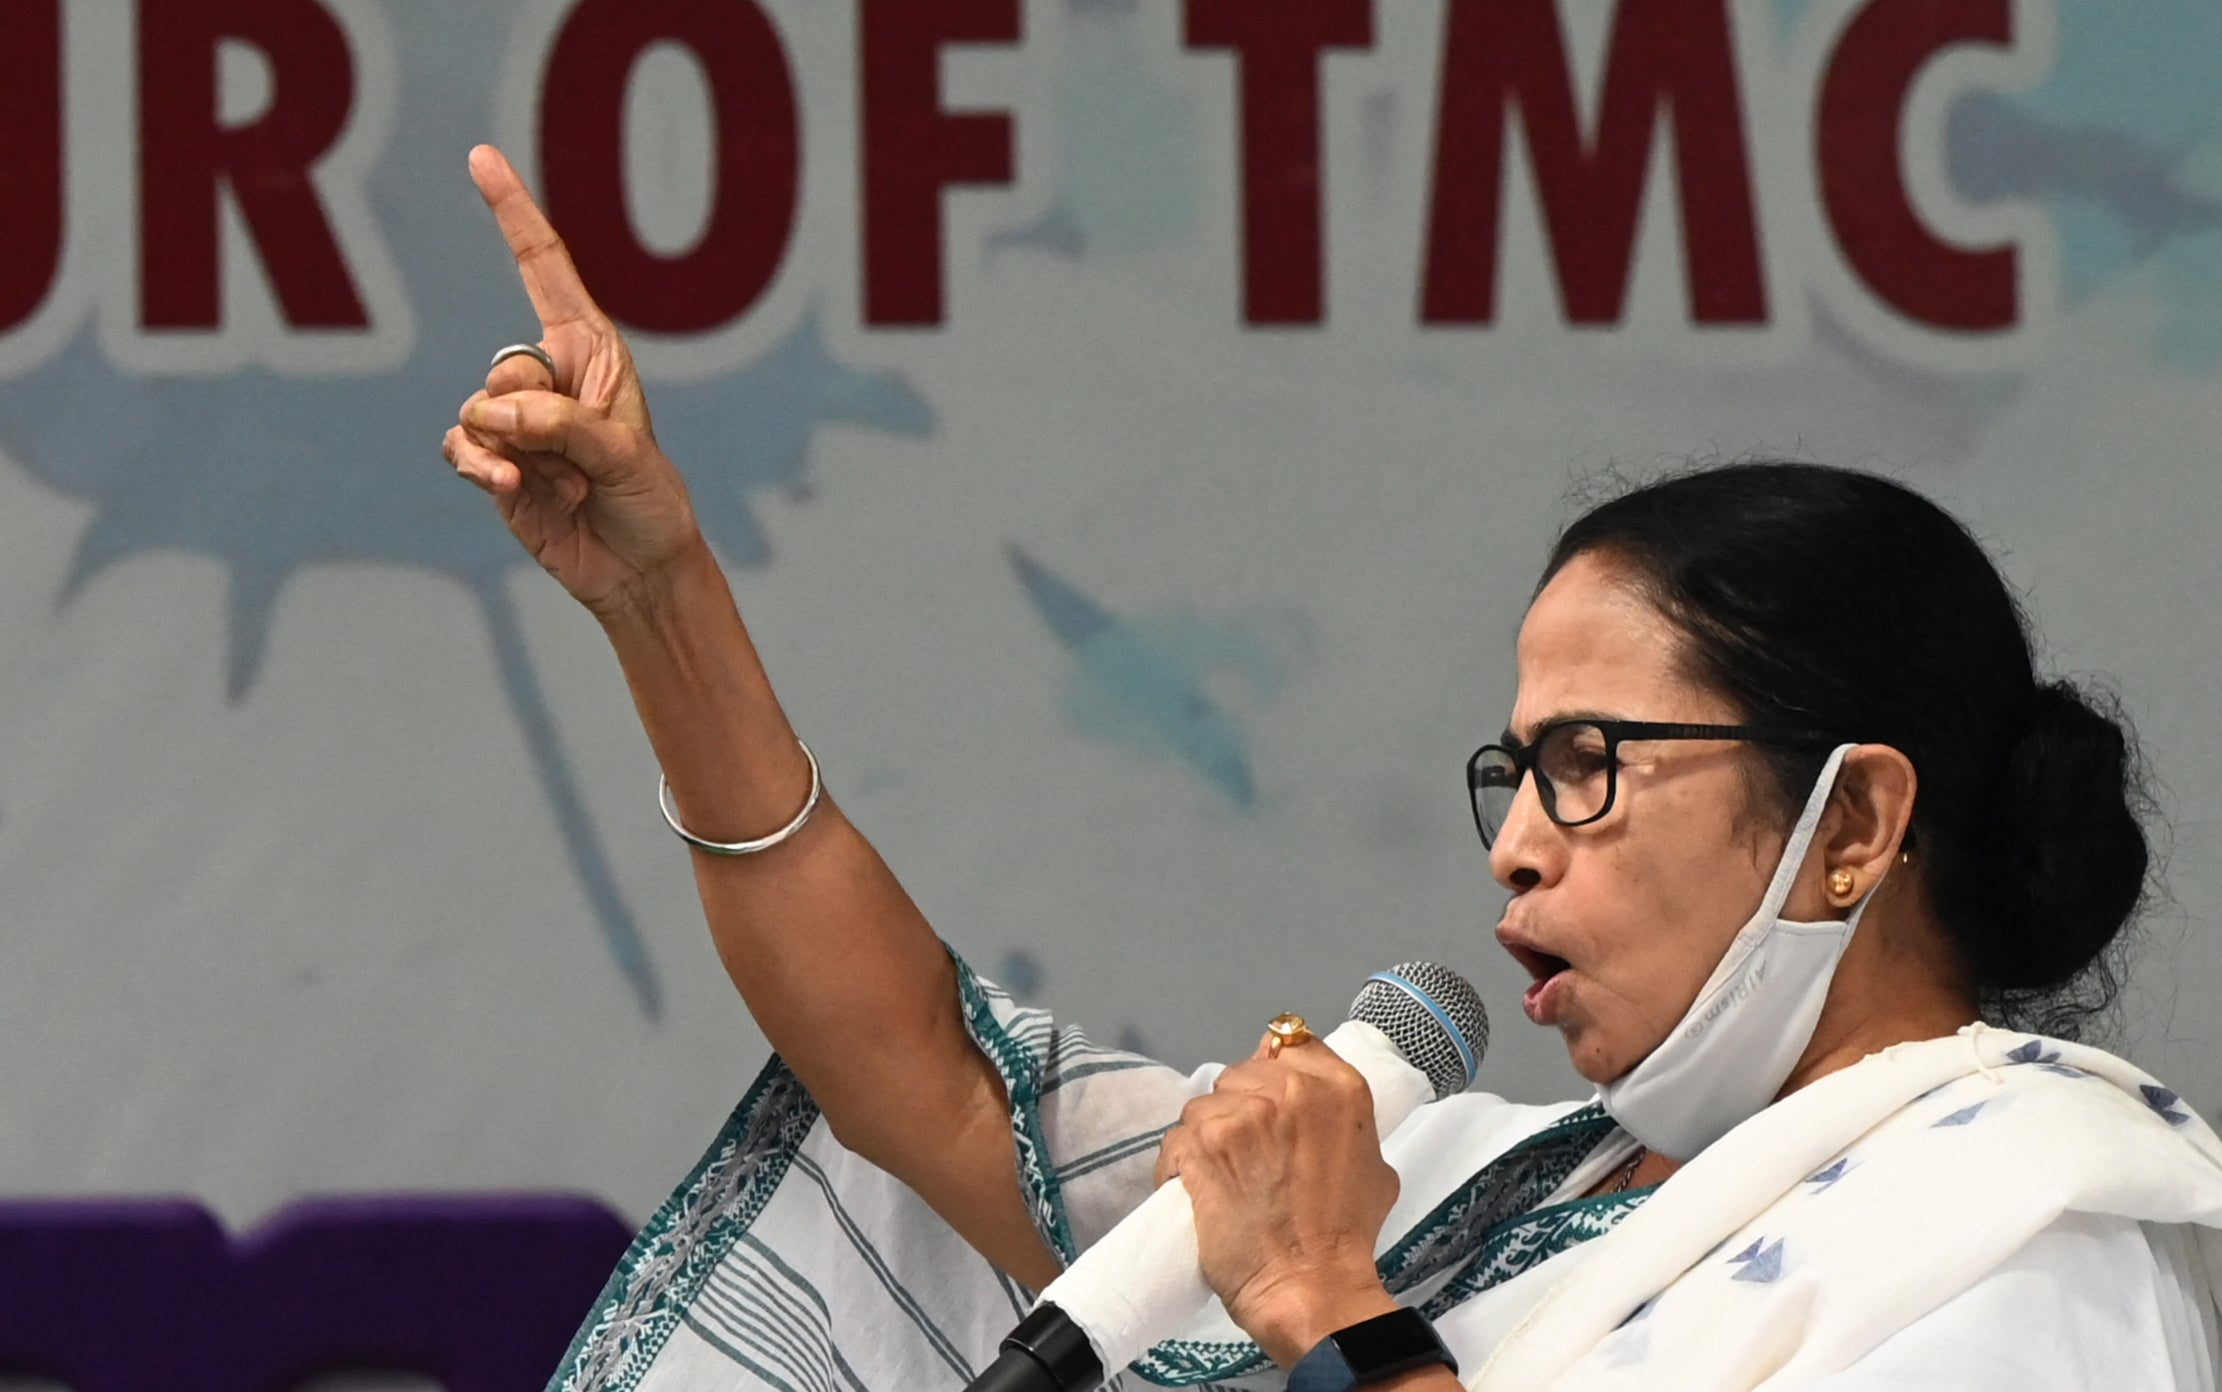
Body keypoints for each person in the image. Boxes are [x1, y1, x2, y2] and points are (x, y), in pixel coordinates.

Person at [443, 145, 2222, 1391]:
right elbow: (926, 1081)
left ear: (1850, 825)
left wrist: (1317, 1297)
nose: (1515, 849)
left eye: (1591, 766)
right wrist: (661, 601)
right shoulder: (1483, 1192)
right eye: (1512, 775)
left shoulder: (2017, 1247)